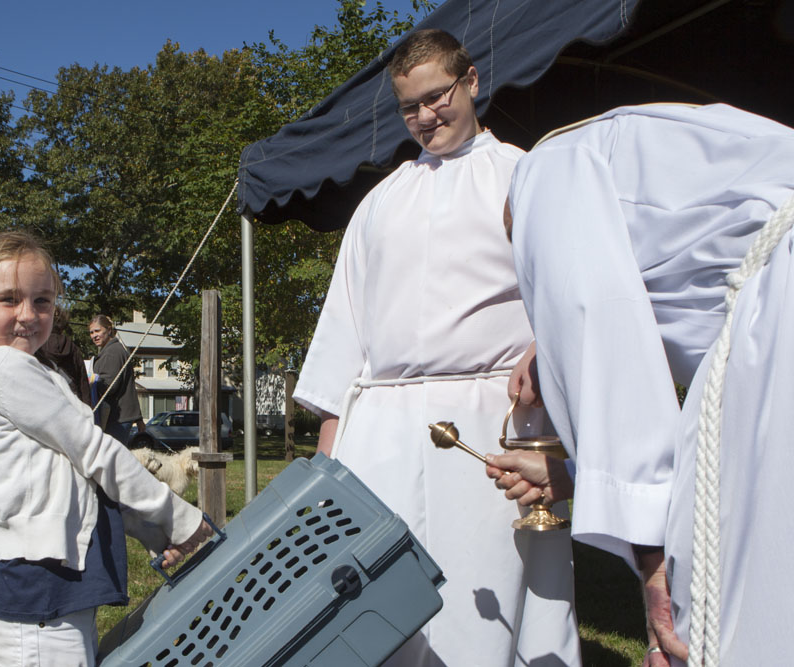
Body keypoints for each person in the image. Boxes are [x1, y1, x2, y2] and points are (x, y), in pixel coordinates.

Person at [293, 29, 581, 666]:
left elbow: (571, 293)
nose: (425, 117)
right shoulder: (380, 201)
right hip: (384, 429)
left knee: (485, 606)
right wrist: (328, 464)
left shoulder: (524, 175)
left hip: (489, 421)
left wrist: (545, 346)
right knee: (381, 603)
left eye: (437, 97)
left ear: (471, 82)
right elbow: (345, 328)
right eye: (409, 107)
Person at [489, 103, 794, 666]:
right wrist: (570, 472)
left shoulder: (545, 170)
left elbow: (599, 328)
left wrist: (656, 577)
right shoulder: (629, 145)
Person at [0, 232, 211, 666]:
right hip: (40, 598)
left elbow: (81, 484)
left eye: (42, 301)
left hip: (51, 590)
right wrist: (181, 520)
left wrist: (157, 533)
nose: (28, 314)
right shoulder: (4, 368)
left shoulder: (24, 369)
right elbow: (97, 453)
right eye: (8, 299)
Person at [89, 314, 146, 444]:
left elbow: (109, 386)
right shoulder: (111, 350)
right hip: (119, 416)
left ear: (109, 330)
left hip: (117, 417)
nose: (94, 335)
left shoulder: (112, 352)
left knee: (111, 460)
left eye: (97, 331)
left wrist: (90, 383)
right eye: (91, 332)